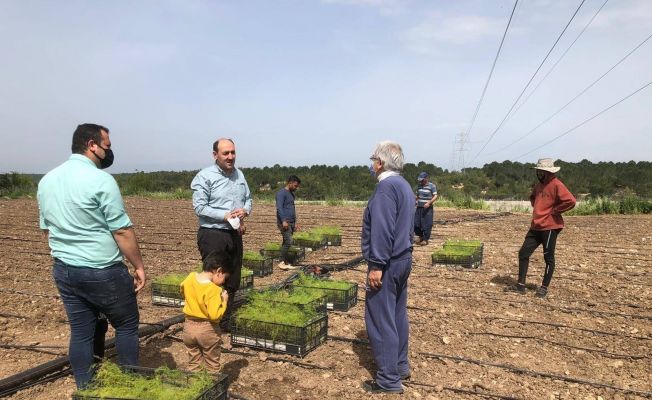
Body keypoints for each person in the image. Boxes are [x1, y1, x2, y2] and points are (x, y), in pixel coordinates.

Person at [37, 123, 146, 388]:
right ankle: (130, 385)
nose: (109, 151)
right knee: (127, 325)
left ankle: (86, 388)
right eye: (107, 146)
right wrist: (139, 266)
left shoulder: (47, 180)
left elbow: (46, 228)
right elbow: (121, 230)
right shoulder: (101, 180)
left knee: (82, 332)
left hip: (64, 269)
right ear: (92, 145)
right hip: (102, 270)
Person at [361, 141, 415, 394]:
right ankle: (401, 365)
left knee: (381, 319)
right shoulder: (404, 185)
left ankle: (388, 380)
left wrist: (376, 265)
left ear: (380, 163)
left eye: (373, 160)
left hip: (388, 262)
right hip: (403, 258)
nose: (372, 165)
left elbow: (382, 230)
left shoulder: (385, 188)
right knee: (397, 315)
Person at [191, 138, 252, 331]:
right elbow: (199, 207)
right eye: (226, 153)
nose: (230, 157)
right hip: (213, 233)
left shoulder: (239, 175)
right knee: (214, 279)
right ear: (215, 155)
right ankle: (208, 323)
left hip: (234, 233)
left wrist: (245, 211)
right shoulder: (204, 176)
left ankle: (224, 322)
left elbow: (248, 198)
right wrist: (224, 216)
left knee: (232, 278)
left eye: (233, 152)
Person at [506, 158, 576, 298]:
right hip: (536, 226)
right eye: (538, 171)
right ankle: (520, 285)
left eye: (541, 171)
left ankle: (544, 287)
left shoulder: (556, 184)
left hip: (550, 227)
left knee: (548, 258)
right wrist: (538, 208)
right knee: (523, 253)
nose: (539, 173)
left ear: (548, 172)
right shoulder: (539, 185)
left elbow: (571, 201)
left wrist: (555, 211)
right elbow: (532, 197)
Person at [180, 252, 234, 372]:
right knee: (212, 364)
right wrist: (223, 301)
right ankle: (212, 388)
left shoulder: (190, 277)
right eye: (225, 277)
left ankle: (195, 386)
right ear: (219, 271)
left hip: (188, 327)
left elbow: (182, 288)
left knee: (194, 362)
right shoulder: (214, 289)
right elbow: (215, 316)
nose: (223, 282)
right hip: (207, 329)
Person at [275, 175, 301, 270]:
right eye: (295, 185)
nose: (296, 188)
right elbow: (279, 208)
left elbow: (292, 208)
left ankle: (284, 261)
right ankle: (281, 261)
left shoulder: (291, 194)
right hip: (284, 222)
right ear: (290, 183)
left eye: (297, 186)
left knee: (286, 241)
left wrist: (295, 222)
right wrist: (283, 221)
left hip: (291, 222)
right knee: (289, 241)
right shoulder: (281, 193)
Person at [413, 171, 438, 246]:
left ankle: (425, 239)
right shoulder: (419, 186)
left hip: (427, 208)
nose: (421, 181)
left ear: (426, 178)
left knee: (427, 224)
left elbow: (435, 196)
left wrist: (429, 203)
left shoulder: (432, 186)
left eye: (422, 179)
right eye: (420, 180)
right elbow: (418, 195)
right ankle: (421, 236)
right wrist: (415, 200)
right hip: (419, 207)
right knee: (416, 224)